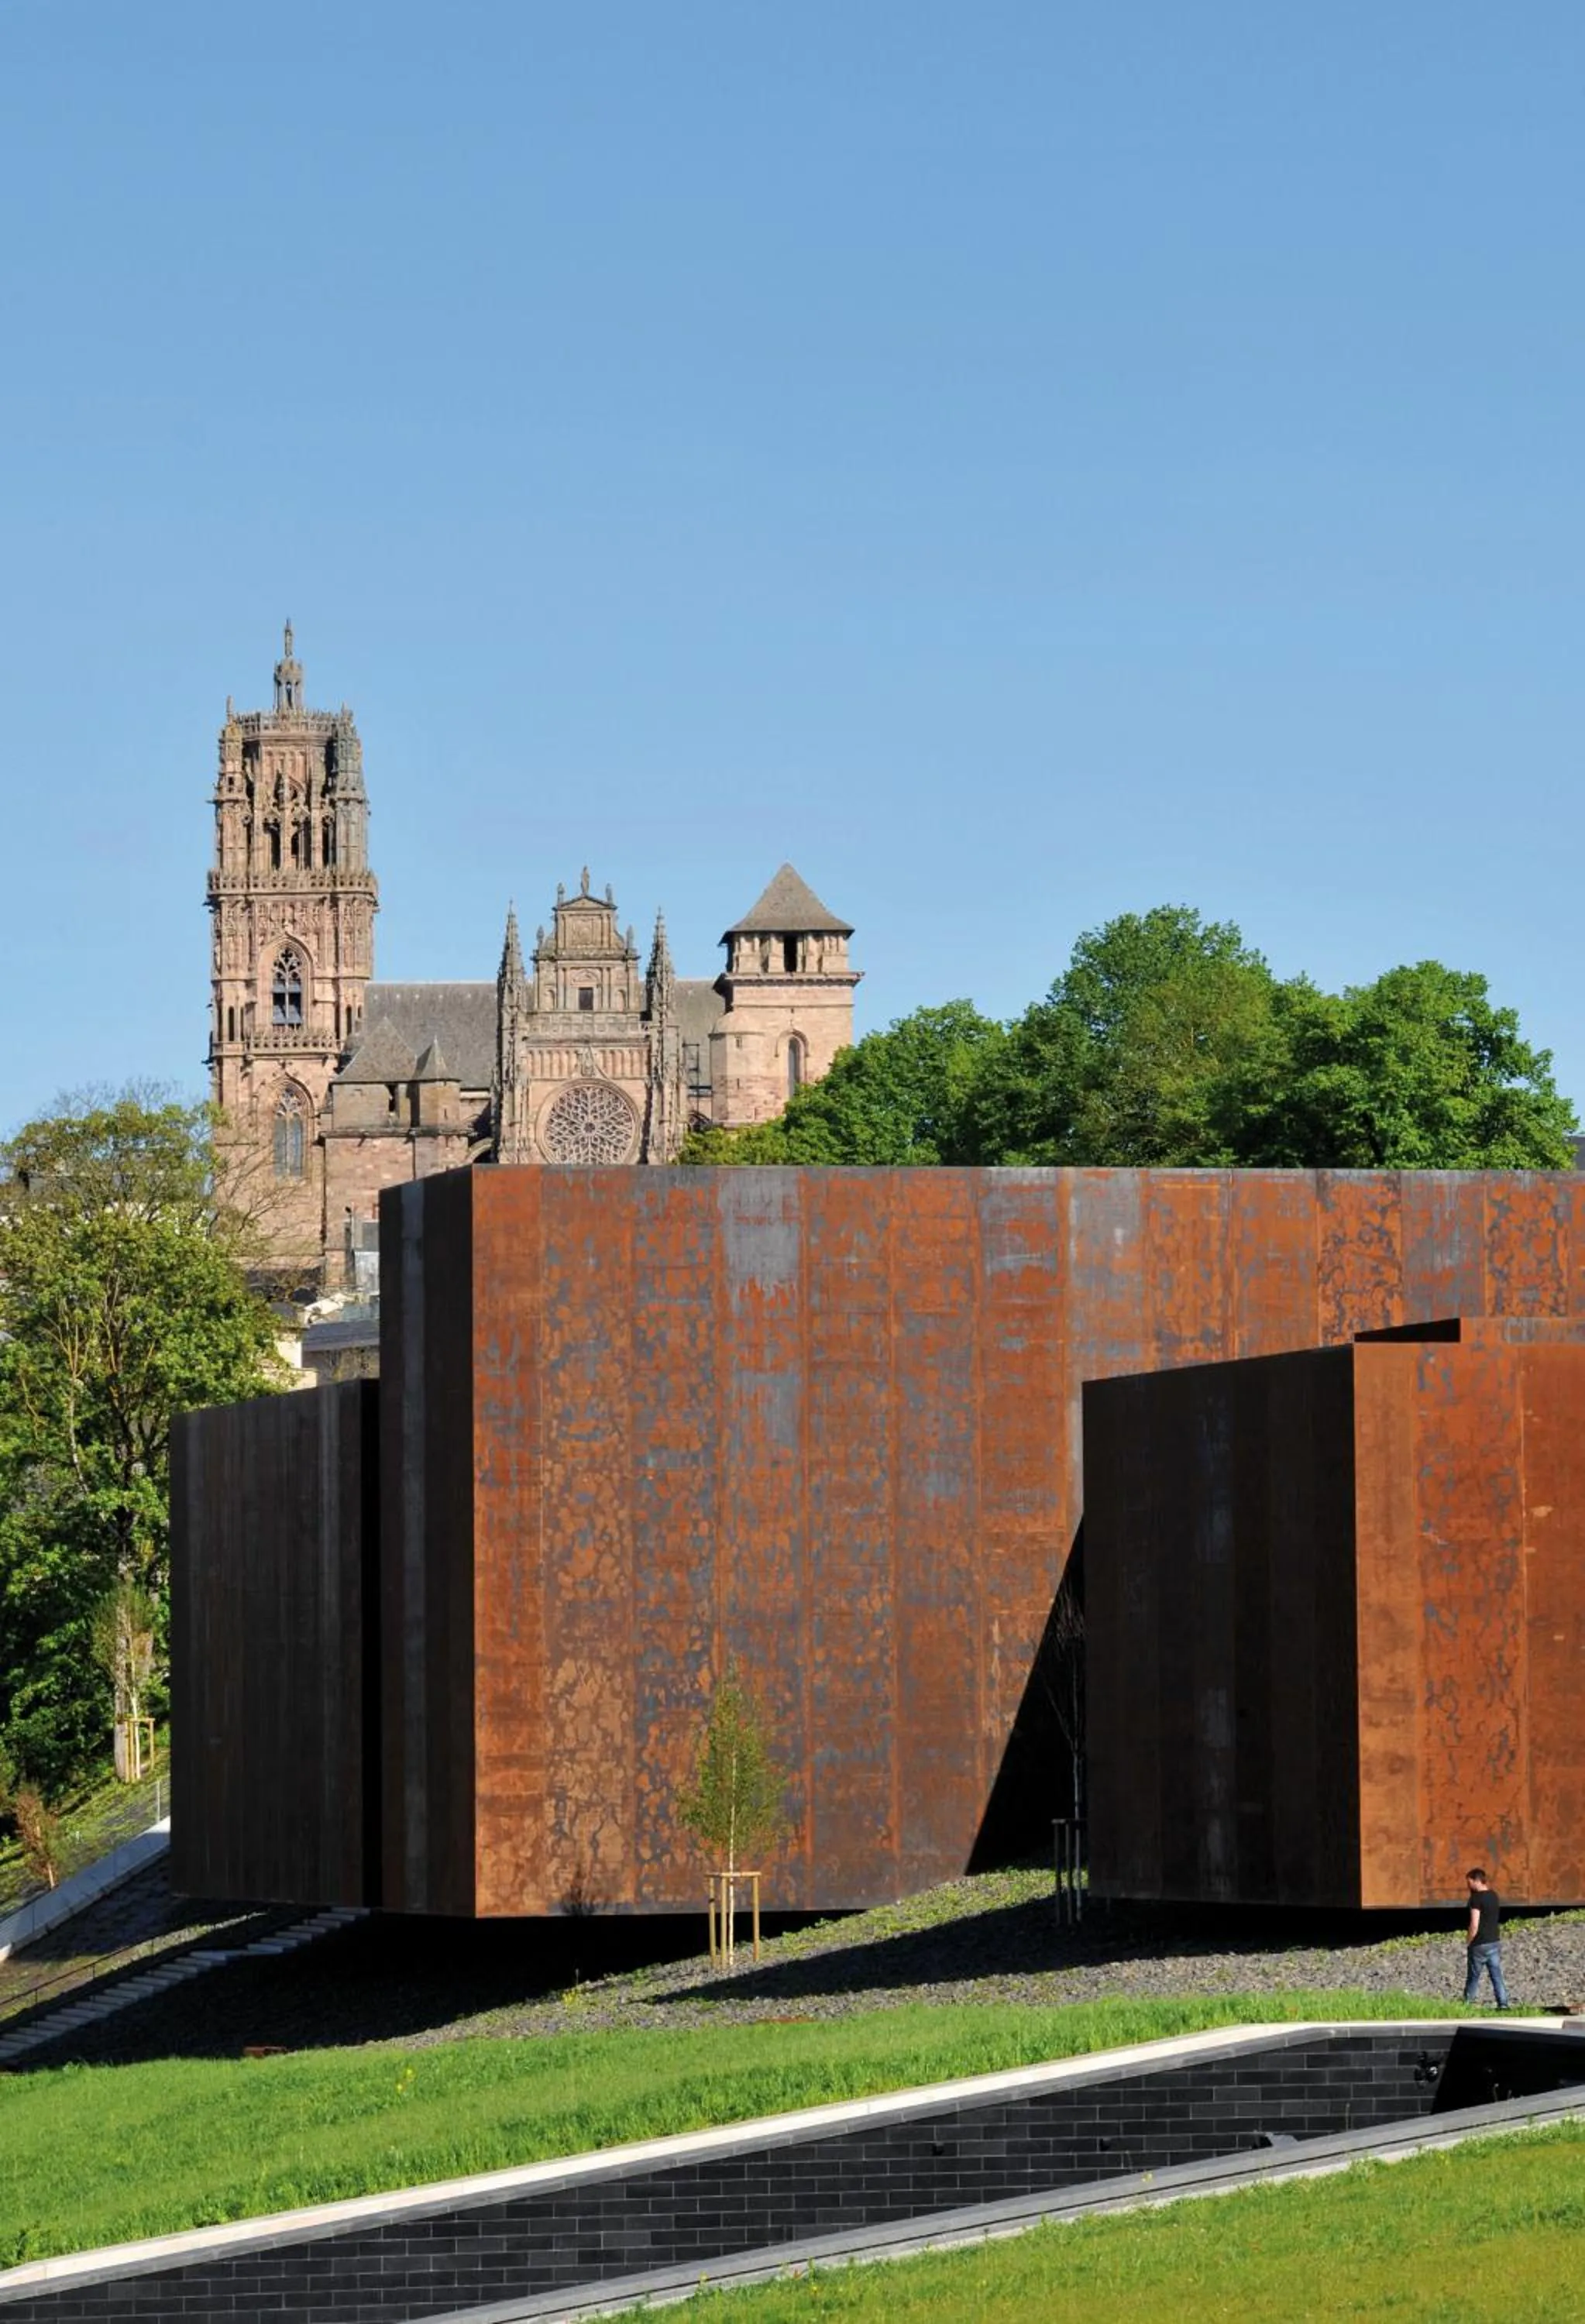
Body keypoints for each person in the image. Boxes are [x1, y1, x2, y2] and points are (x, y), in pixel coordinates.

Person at [1463, 1867, 1510, 2009]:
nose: (1468, 1886)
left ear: (1477, 1881)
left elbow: (1474, 1924)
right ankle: (1503, 2004)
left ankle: (1467, 2004)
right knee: (1496, 1975)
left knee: (1473, 1977)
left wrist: (1469, 1941)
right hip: (1494, 1941)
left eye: (1470, 1882)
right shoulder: (1494, 1896)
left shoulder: (1476, 1899)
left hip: (1479, 1944)